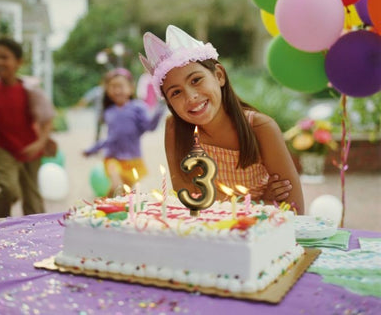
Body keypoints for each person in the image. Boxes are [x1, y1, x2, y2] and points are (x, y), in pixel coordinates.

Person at [139, 25, 304, 214]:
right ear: (169, 103)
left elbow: (295, 211)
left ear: (219, 75)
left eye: (196, 80)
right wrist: (263, 203)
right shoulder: (174, 129)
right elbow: (189, 206)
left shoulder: (260, 128)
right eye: (176, 92)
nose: (191, 96)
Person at [0, 37, 55, 217]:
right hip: (3, 149)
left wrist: (40, 143)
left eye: (4, 57)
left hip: (30, 149)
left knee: (33, 200)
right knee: (10, 189)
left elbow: (47, 118)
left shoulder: (29, 90)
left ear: (18, 62)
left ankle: (37, 233)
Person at [83, 67, 164, 194]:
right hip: (113, 159)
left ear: (130, 88)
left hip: (133, 161)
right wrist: (92, 149)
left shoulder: (138, 107)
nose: (116, 90)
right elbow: (110, 138)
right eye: (112, 86)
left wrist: (159, 111)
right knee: (117, 186)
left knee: (126, 196)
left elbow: (149, 127)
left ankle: (110, 209)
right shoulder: (109, 112)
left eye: (120, 86)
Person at [75, 75, 105, 141]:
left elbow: (86, 99)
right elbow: (86, 99)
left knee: (100, 131)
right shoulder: (98, 91)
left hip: (103, 114)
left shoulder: (99, 90)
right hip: (100, 114)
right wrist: (78, 107)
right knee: (99, 131)